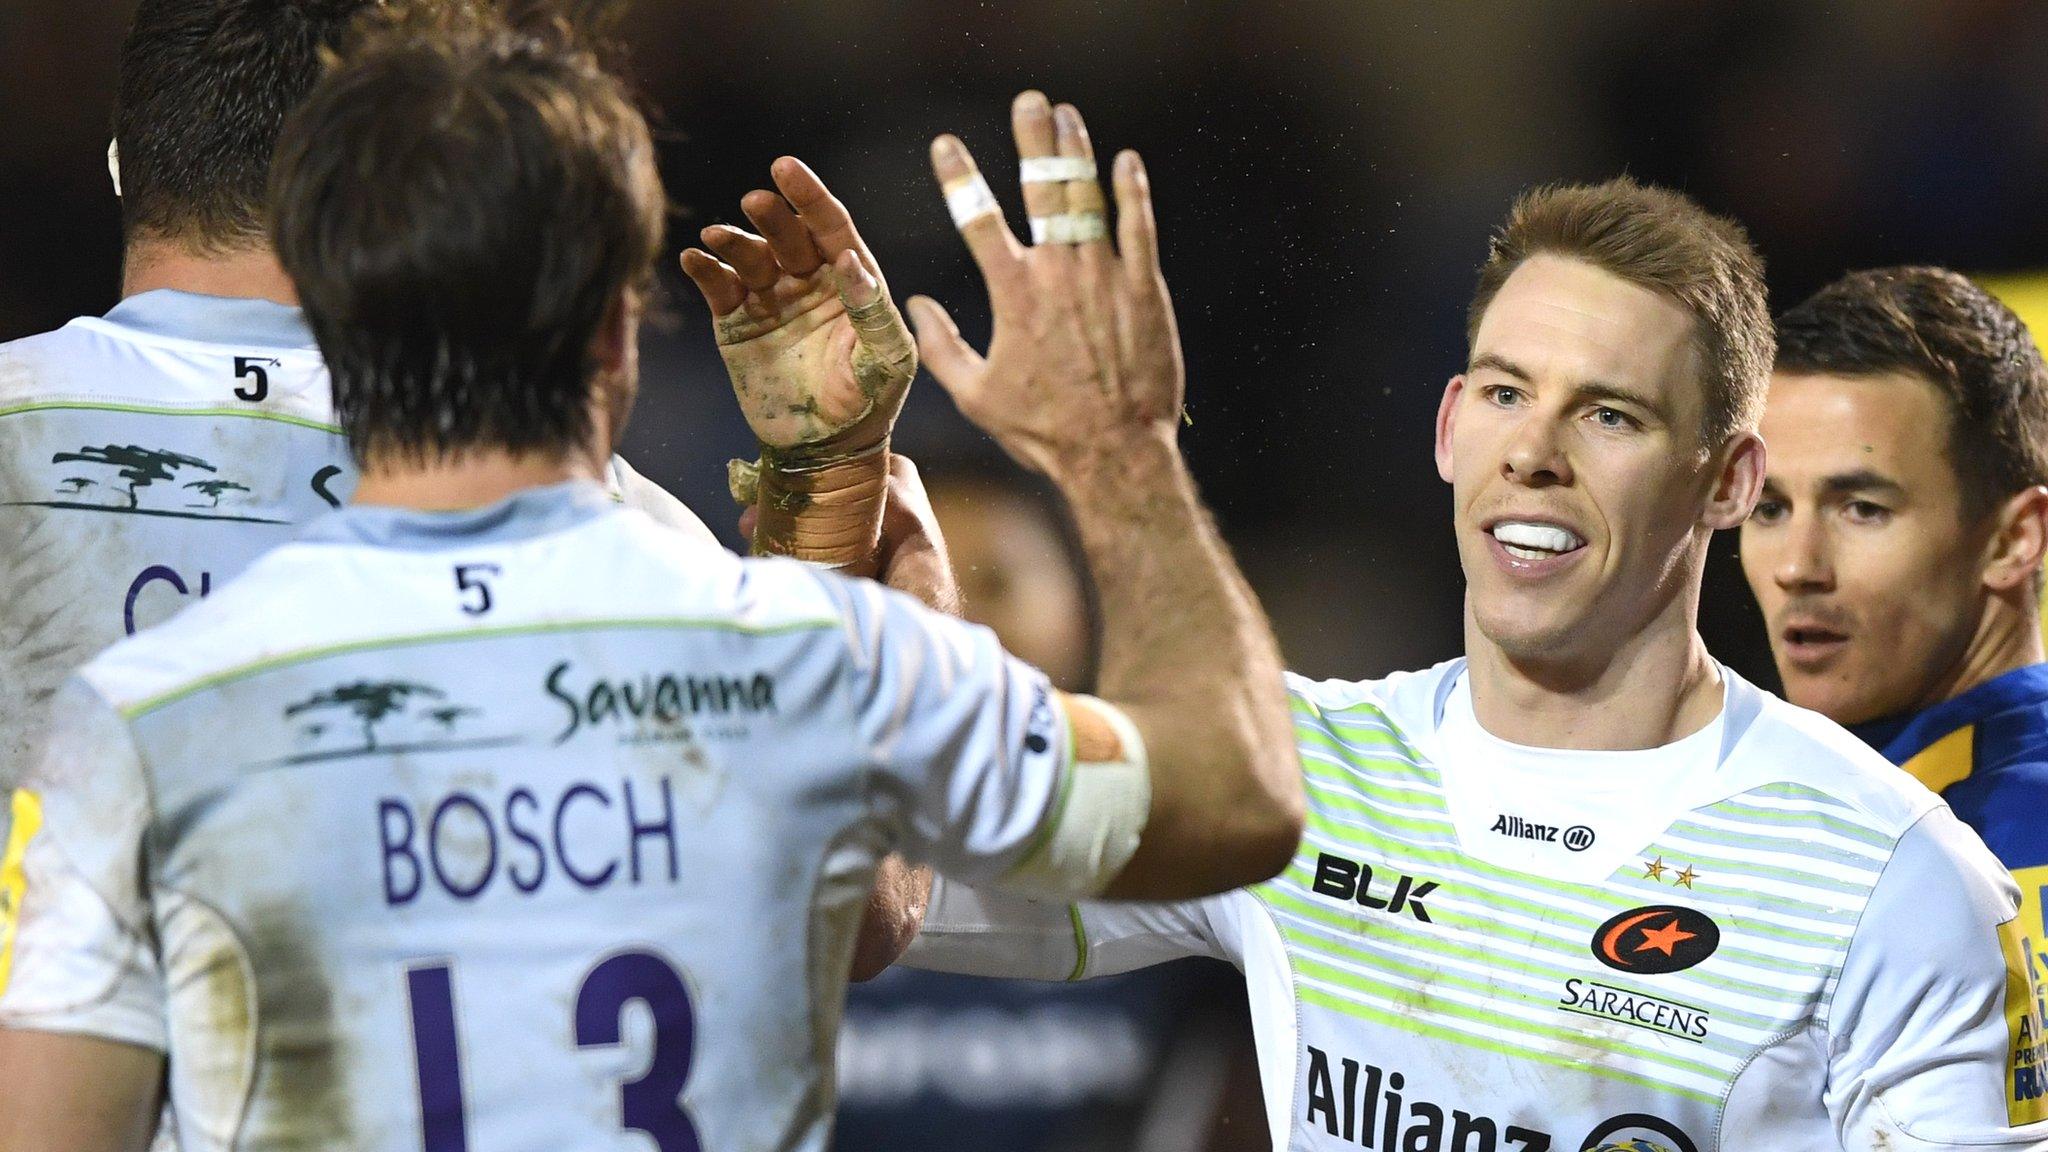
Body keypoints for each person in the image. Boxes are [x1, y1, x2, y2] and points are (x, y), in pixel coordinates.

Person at [0, 16, 1305, 1152]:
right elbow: (1232, 797)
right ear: (620, 331)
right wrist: (1110, 452)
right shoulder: (804, 651)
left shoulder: (150, 723)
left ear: (343, 310)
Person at [882, 113, 2048, 1150]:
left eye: (1607, 413)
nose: (1531, 451)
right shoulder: (1282, 780)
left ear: (1728, 481)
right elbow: (871, 894)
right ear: (1447, 429)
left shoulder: (1896, 878)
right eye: (1502, 392)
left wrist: (1120, 460)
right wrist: (829, 481)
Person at [0, 0, 712, 849]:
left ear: (124, 168)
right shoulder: (577, 495)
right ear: (396, 196)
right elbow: (841, 903)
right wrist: (830, 485)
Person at [1739, 266, 2048, 1125]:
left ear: (2014, 540)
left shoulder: (2012, 837)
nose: (1799, 565)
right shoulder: (1810, 791)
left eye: (1861, 508)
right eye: (1768, 508)